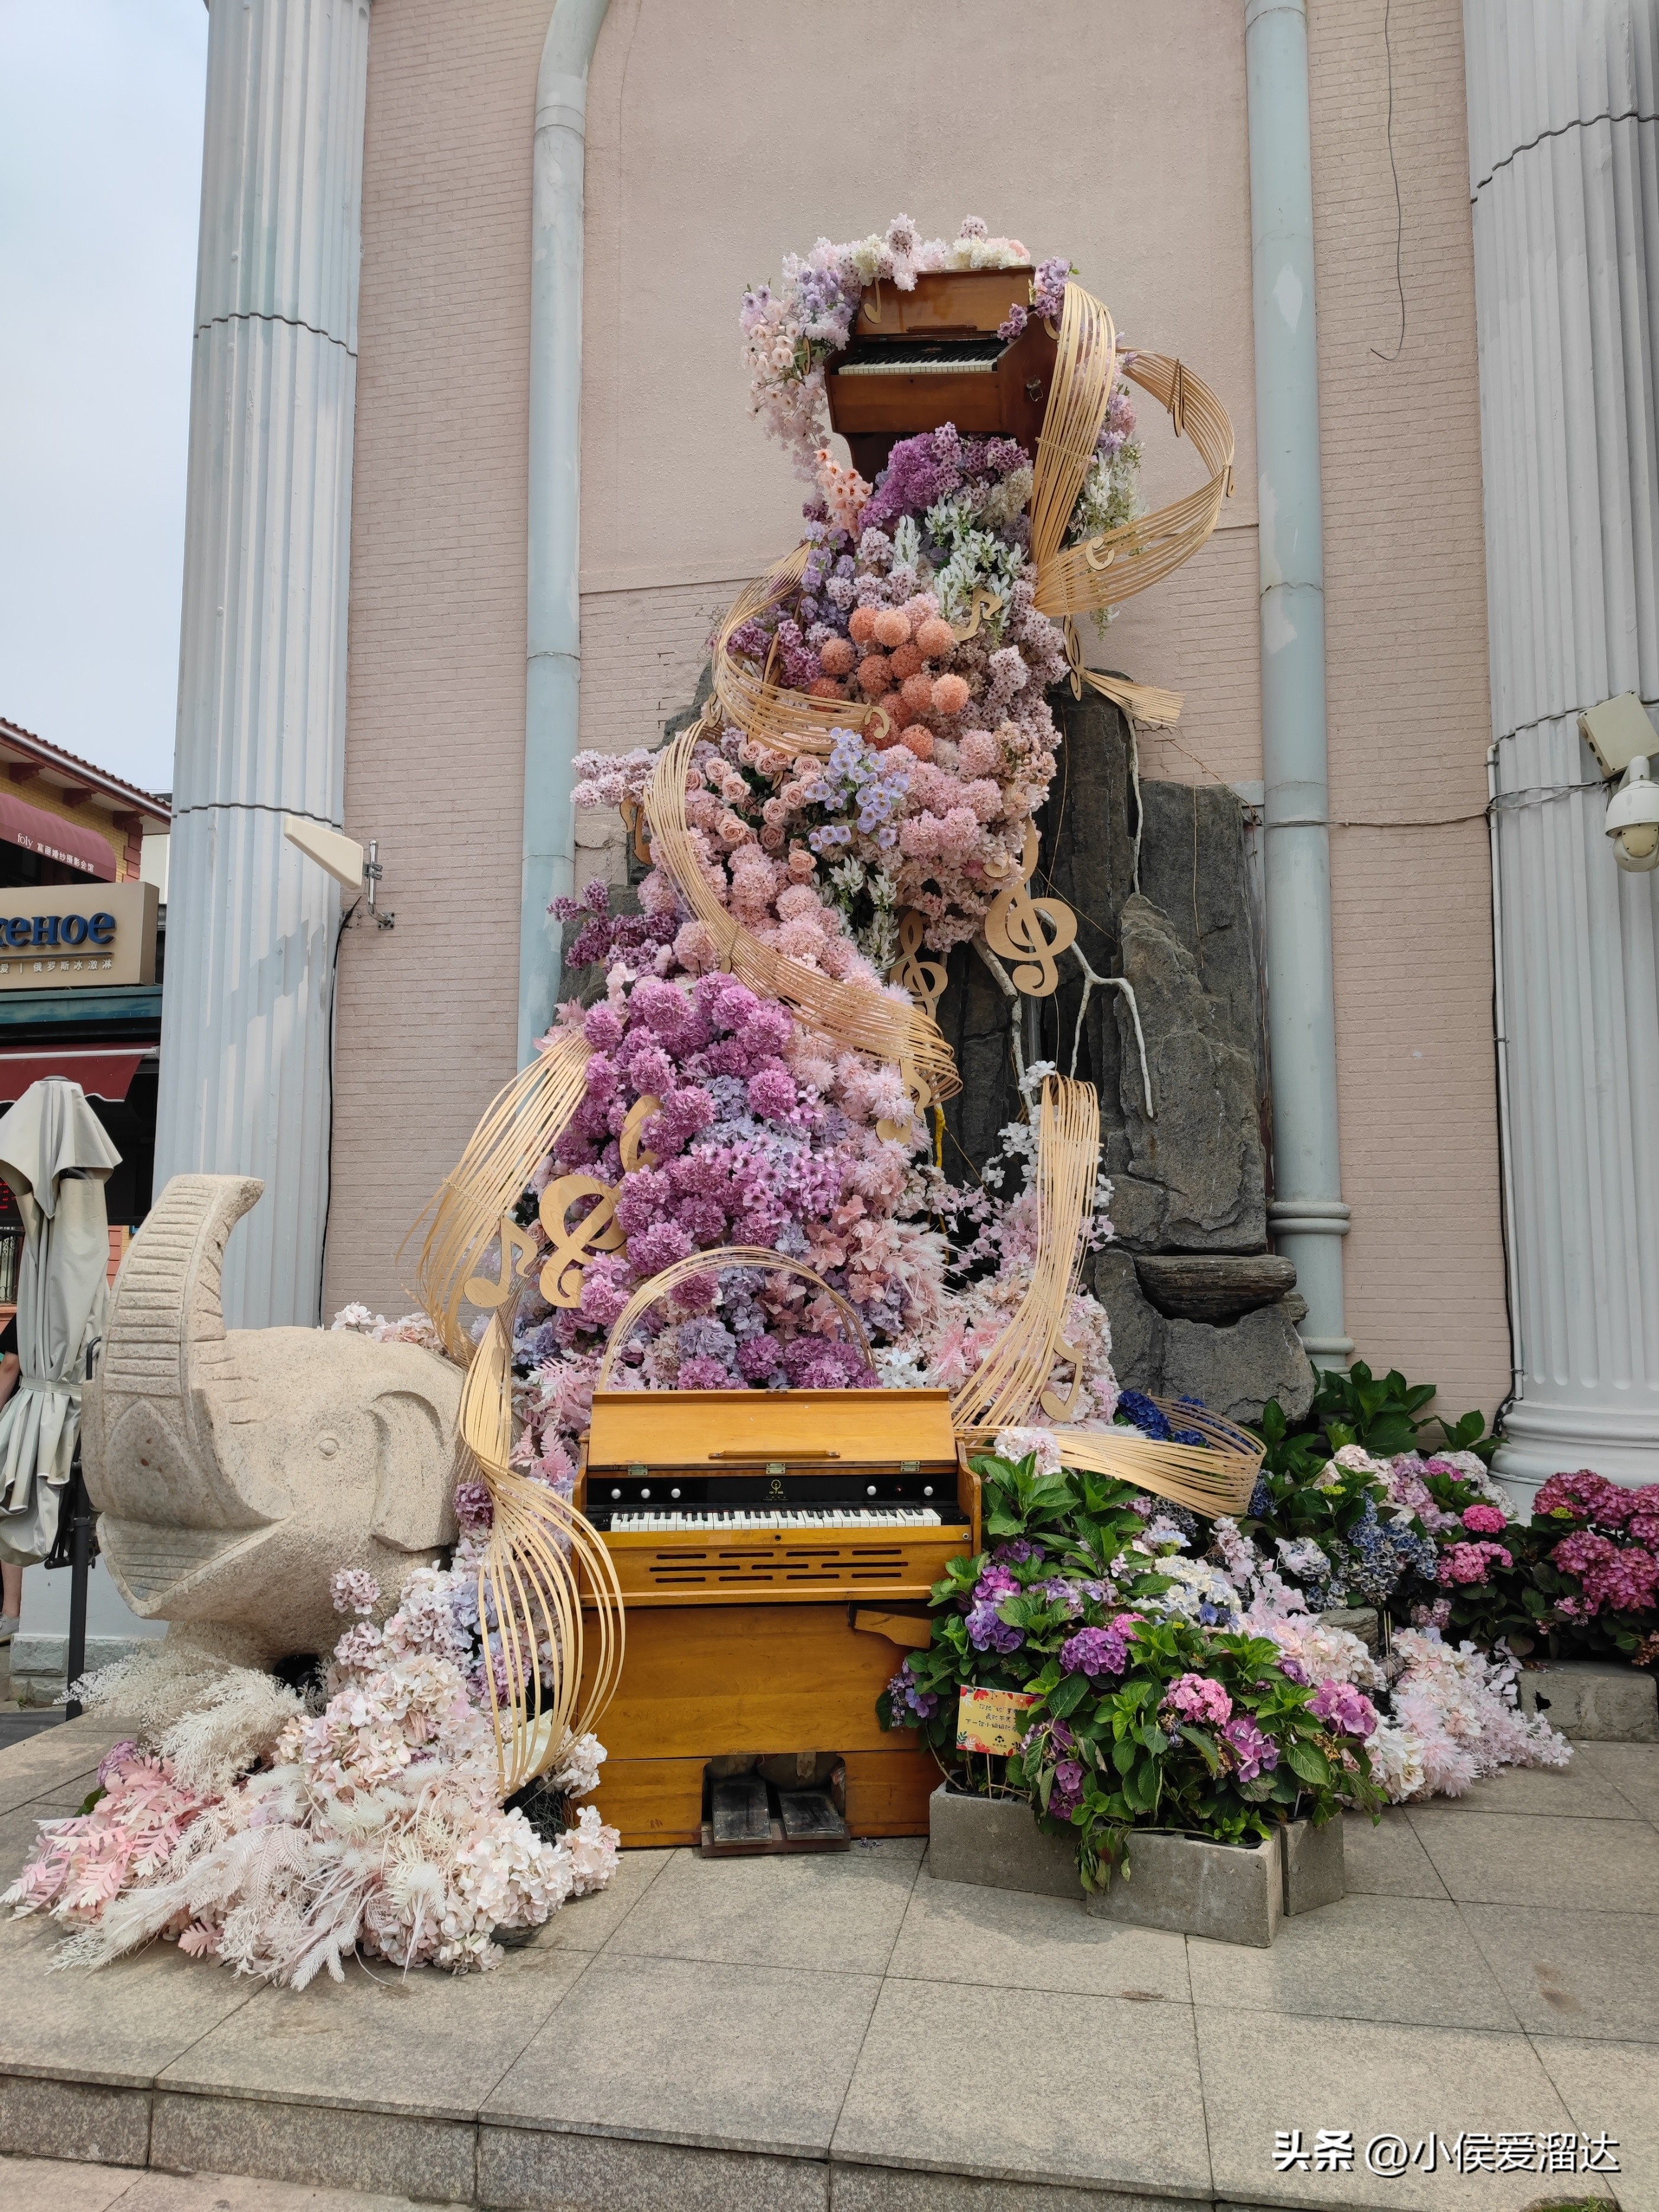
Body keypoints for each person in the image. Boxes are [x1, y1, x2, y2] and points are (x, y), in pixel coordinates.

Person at [0, 1317, 21, 1640]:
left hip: (23, 1419)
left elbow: (10, 1365)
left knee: (10, 1512)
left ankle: (11, 1613)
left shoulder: (36, 1308)